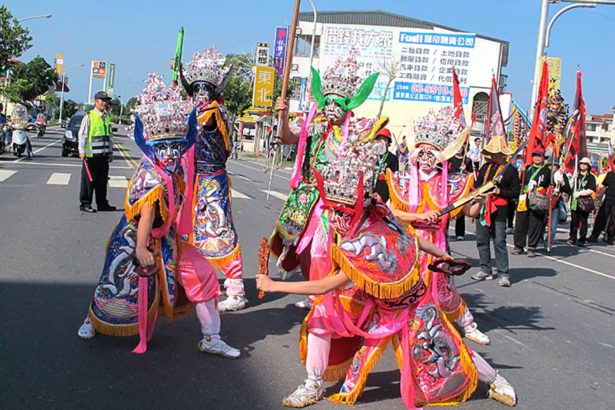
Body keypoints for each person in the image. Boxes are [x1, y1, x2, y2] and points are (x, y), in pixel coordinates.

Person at [256, 128, 517, 408]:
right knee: (322, 314)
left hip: (415, 307)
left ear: (359, 208)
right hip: (378, 305)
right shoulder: (381, 215)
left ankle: (495, 379)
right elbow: (415, 238)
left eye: (343, 212)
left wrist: (274, 286)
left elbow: (325, 285)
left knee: (447, 349)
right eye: (333, 211)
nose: (336, 218)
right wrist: (442, 254)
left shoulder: (367, 241)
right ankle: (313, 384)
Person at [77, 75, 239, 358]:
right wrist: (139, 248)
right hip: (133, 238)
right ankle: (93, 319)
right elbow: (148, 210)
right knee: (116, 286)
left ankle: (211, 336)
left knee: (201, 273)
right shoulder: (152, 173)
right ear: (151, 146)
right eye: (163, 148)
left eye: (175, 147)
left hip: (166, 238)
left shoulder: (176, 169)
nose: (170, 153)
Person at [271, 51, 379, 309]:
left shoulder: (359, 133)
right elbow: (287, 138)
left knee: (330, 250)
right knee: (306, 250)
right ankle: (318, 294)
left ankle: (329, 296)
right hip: (310, 200)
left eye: (337, 104)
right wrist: (283, 117)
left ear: (348, 105)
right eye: (327, 102)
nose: (331, 108)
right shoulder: (315, 127)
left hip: (340, 205)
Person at [387, 107, 487, 345]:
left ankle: (467, 324)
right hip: (411, 241)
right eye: (423, 154)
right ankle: (397, 325)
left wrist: (478, 203)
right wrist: (417, 218)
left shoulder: (452, 183)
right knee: (402, 287)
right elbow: (391, 211)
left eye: (432, 155)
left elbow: (468, 212)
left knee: (443, 285)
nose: (427, 160)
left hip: (438, 243)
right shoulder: (403, 180)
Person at [178, 47, 247, 311]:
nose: (200, 94)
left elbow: (198, 123)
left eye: (204, 89)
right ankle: (196, 281)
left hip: (211, 179)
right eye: (196, 89)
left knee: (219, 230)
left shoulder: (214, 113)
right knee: (190, 232)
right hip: (194, 180)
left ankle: (236, 289)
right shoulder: (200, 112)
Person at [470, 135, 520, 287]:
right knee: (481, 240)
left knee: (499, 241)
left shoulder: (510, 170)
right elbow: (478, 185)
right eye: (493, 153)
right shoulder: (485, 167)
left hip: (500, 209)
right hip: (482, 206)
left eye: (498, 153)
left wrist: (499, 191)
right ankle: (485, 269)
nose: (495, 156)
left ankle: (503, 272)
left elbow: (515, 192)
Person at [78, 91, 115, 213]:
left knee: (102, 181)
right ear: (96, 101)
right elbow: (82, 135)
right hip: (91, 156)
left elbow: (109, 136)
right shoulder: (89, 116)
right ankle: (85, 203)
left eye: (106, 101)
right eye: (102, 100)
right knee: (88, 181)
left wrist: (110, 151)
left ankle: (102, 203)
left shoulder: (106, 117)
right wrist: (81, 151)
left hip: (103, 155)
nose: (105, 103)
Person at [512, 148, 551, 257]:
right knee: (520, 221)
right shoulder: (527, 168)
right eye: (535, 155)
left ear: (543, 158)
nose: (537, 158)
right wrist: (521, 171)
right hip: (525, 196)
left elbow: (550, 185)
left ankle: (532, 246)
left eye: (539, 156)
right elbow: (518, 181)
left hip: (538, 198)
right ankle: (518, 246)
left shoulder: (547, 171)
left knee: (535, 222)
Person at [567, 157, 597, 247]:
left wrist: (580, 193)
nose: (583, 165)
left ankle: (582, 239)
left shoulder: (591, 177)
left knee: (583, 221)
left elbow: (591, 190)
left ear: (588, 166)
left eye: (585, 164)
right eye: (581, 163)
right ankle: (572, 237)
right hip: (575, 201)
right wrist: (573, 178)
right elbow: (569, 186)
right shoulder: (577, 175)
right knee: (573, 220)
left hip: (584, 201)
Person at [448, 144, 474, 240]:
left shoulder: (467, 160)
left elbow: (471, 174)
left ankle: (460, 233)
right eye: (458, 147)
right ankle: (444, 231)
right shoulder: (450, 159)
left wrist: (465, 170)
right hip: (450, 187)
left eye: (461, 147)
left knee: (461, 210)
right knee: (447, 210)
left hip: (462, 187)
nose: (459, 149)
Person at [546, 162, 571, 249]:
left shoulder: (561, 175)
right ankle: (538, 239)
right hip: (543, 203)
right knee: (541, 224)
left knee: (553, 226)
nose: (552, 167)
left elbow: (567, 189)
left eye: (555, 166)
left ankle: (549, 243)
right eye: (551, 166)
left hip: (555, 203)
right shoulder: (545, 173)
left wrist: (562, 182)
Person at [373, 127, 398, 203]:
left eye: (383, 139)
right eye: (379, 139)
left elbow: (395, 178)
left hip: (383, 191)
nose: (381, 142)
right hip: (369, 190)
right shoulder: (372, 155)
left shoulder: (392, 158)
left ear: (388, 142)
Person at [594, 160, 615, 245]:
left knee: (614, 220)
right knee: (601, 217)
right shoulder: (610, 174)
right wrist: (599, 198)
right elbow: (604, 187)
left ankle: (610, 237)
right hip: (607, 200)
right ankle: (594, 236)